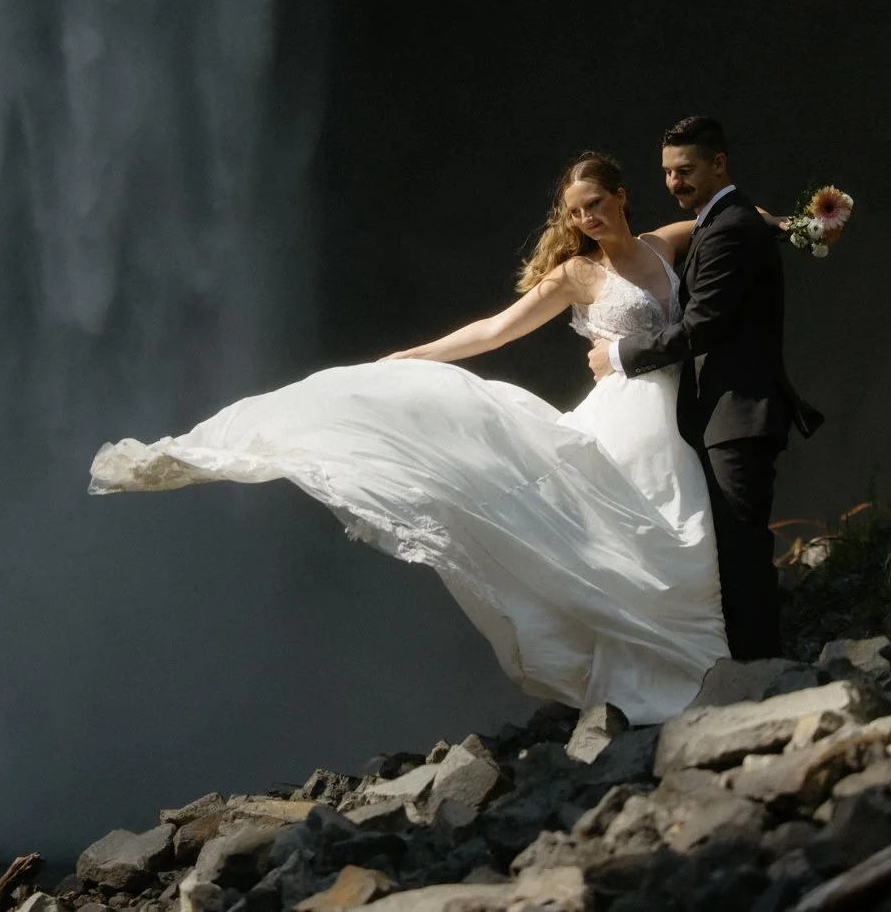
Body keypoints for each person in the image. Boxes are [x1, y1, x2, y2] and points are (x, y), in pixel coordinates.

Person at [89, 151, 730, 724]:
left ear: (619, 197)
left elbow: (734, 220)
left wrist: (800, 224)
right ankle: (656, 673)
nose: (588, 218)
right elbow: (493, 332)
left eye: (595, 204)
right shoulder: (574, 278)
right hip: (627, 408)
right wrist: (416, 355)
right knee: (631, 530)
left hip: (674, 398)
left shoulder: (664, 243)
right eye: (576, 212)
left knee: (665, 525)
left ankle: (699, 659)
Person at [587, 116, 822, 661]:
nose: (675, 182)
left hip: (738, 414)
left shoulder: (730, 227)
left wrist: (619, 355)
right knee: (730, 549)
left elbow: (702, 328)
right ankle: (745, 665)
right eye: (668, 173)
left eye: (686, 170)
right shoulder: (723, 221)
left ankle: (760, 671)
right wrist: (796, 225)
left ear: (720, 163)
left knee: (741, 550)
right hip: (719, 416)